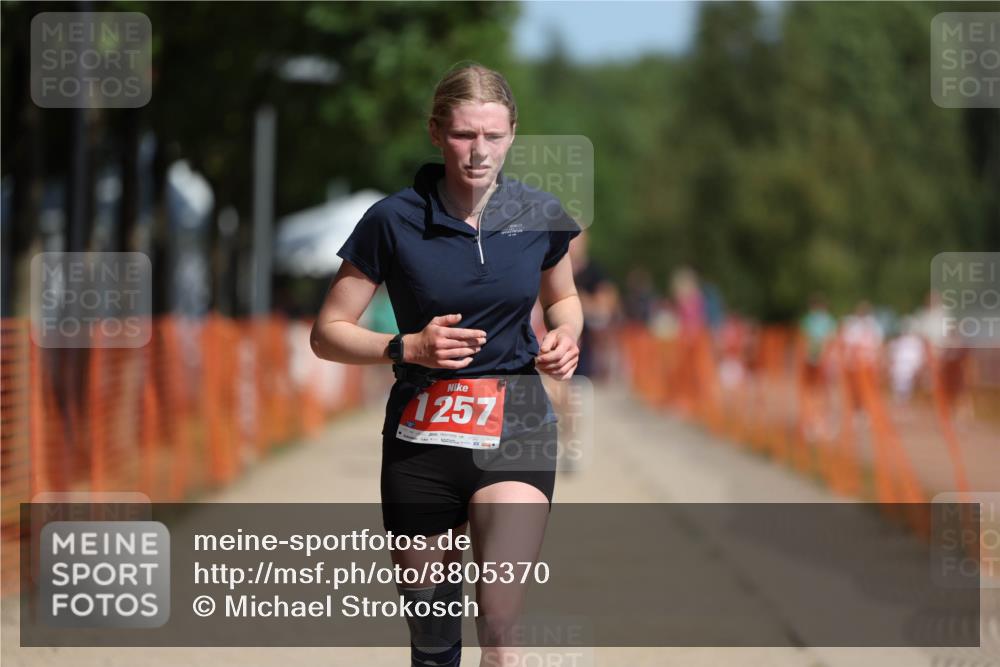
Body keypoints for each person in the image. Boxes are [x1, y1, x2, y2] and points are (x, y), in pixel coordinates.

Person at [310, 63, 583, 667]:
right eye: (464, 135)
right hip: (422, 439)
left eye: (493, 135)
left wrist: (566, 333)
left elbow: (562, 297)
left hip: (516, 427)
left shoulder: (539, 213)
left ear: (513, 134)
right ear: (436, 133)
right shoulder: (392, 219)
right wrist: (404, 347)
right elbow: (326, 334)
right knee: (434, 645)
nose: (479, 151)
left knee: (502, 629)